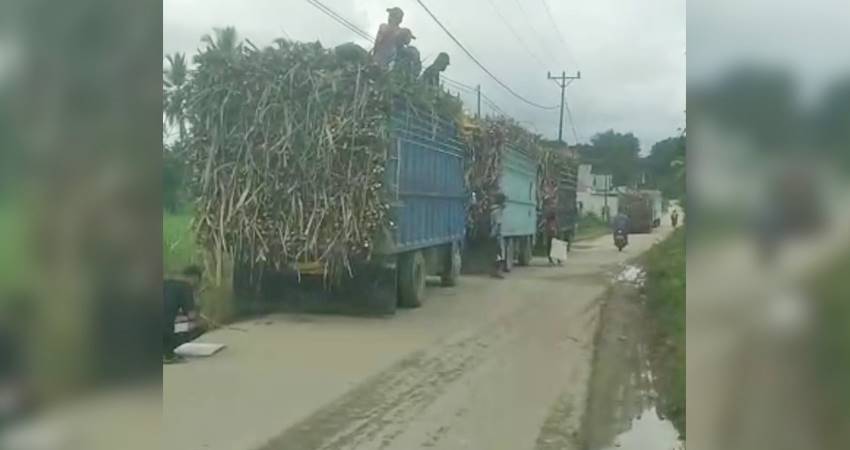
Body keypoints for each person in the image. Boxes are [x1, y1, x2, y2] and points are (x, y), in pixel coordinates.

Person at [163, 265, 202, 364]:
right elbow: (191, 315)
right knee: (195, 326)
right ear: (195, 278)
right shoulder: (185, 286)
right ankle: (168, 354)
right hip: (164, 329)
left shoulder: (166, 282)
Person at [490, 192, 508, 279]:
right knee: (499, 254)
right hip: (497, 236)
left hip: (494, 235)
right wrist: (495, 234)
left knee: (495, 254)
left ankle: (494, 272)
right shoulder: (498, 211)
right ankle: (497, 272)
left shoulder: (494, 209)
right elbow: (497, 224)